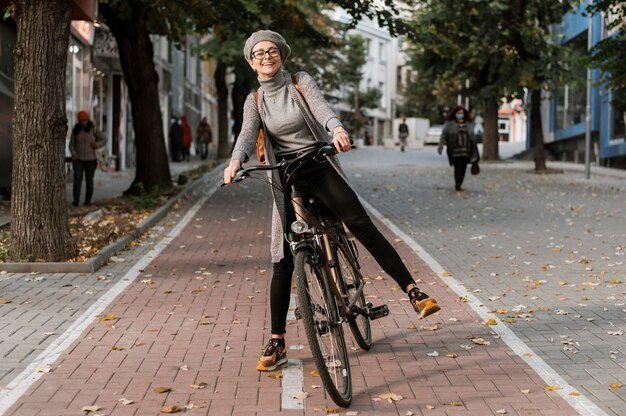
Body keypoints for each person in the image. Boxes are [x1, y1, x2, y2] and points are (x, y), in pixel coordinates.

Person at [223, 30, 440, 372]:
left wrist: (337, 130)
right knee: (282, 256)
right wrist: (236, 160)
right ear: (251, 62)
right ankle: (277, 341)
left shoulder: (299, 82)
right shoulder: (255, 101)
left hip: (319, 164)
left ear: (282, 54)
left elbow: (322, 109)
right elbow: (248, 134)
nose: (267, 57)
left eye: (273, 51)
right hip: (286, 177)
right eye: (259, 53)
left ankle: (414, 292)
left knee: (360, 225)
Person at [68, 111, 107, 206]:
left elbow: (104, 139)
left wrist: (96, 145)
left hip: (91, 159)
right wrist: (73, 153)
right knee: (77, 180)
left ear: (87, 120)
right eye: (81, 120)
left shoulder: (93, 129)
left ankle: (87, 201)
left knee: (89, 181)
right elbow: (71, 145)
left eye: (84, 120)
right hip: (78, 160)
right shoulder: (75, 130)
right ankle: (76, 201)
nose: (83, 122)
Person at [437, 105, 479, 192]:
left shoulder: (468, 124)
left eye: (462, 113)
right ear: (455, 113)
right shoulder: (449, 124)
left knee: (463, 167)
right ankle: (457, 184)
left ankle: (460, 183)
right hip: (455, 150)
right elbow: (443, 135)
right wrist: (440, 146)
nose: (460, 114)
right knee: (458, 167)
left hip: (466, 150)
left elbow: (472, 136)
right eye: (458, 113)